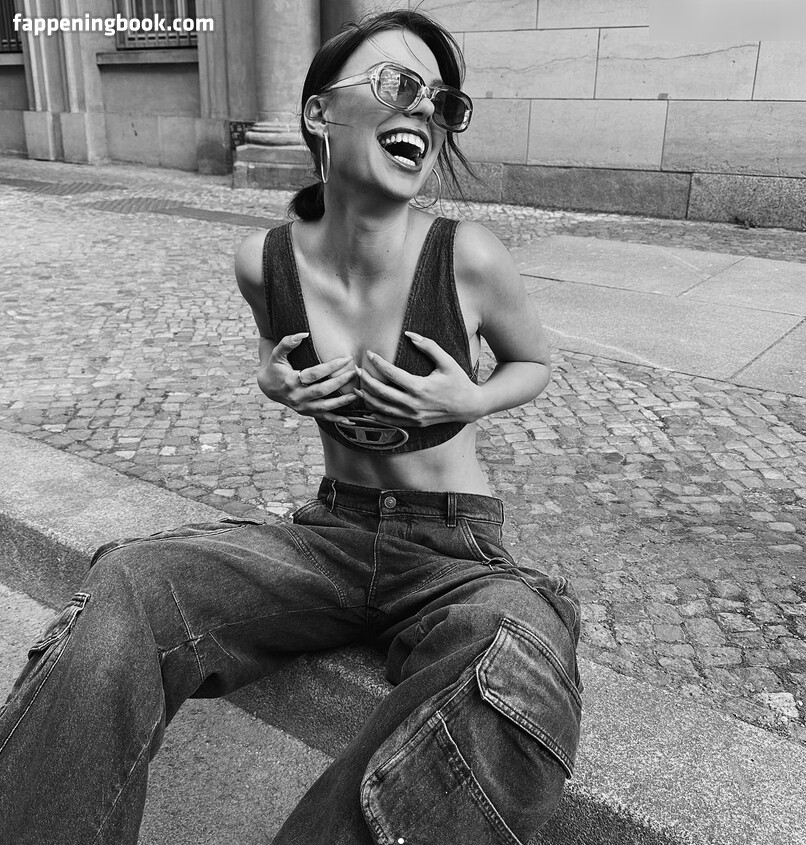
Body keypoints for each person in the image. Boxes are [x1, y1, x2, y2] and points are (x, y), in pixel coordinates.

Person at [0, 9, 582, 844]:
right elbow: (275, 355)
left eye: (442, 101)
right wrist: (271, 381)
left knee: (514, 652)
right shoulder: (264, 260)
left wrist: (470, 400)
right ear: (319, 112)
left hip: (453, 551)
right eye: (400, 85)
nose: (425, 109)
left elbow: (533, 363)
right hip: (327, 537)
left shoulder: (469, 255)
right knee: (130, 578)